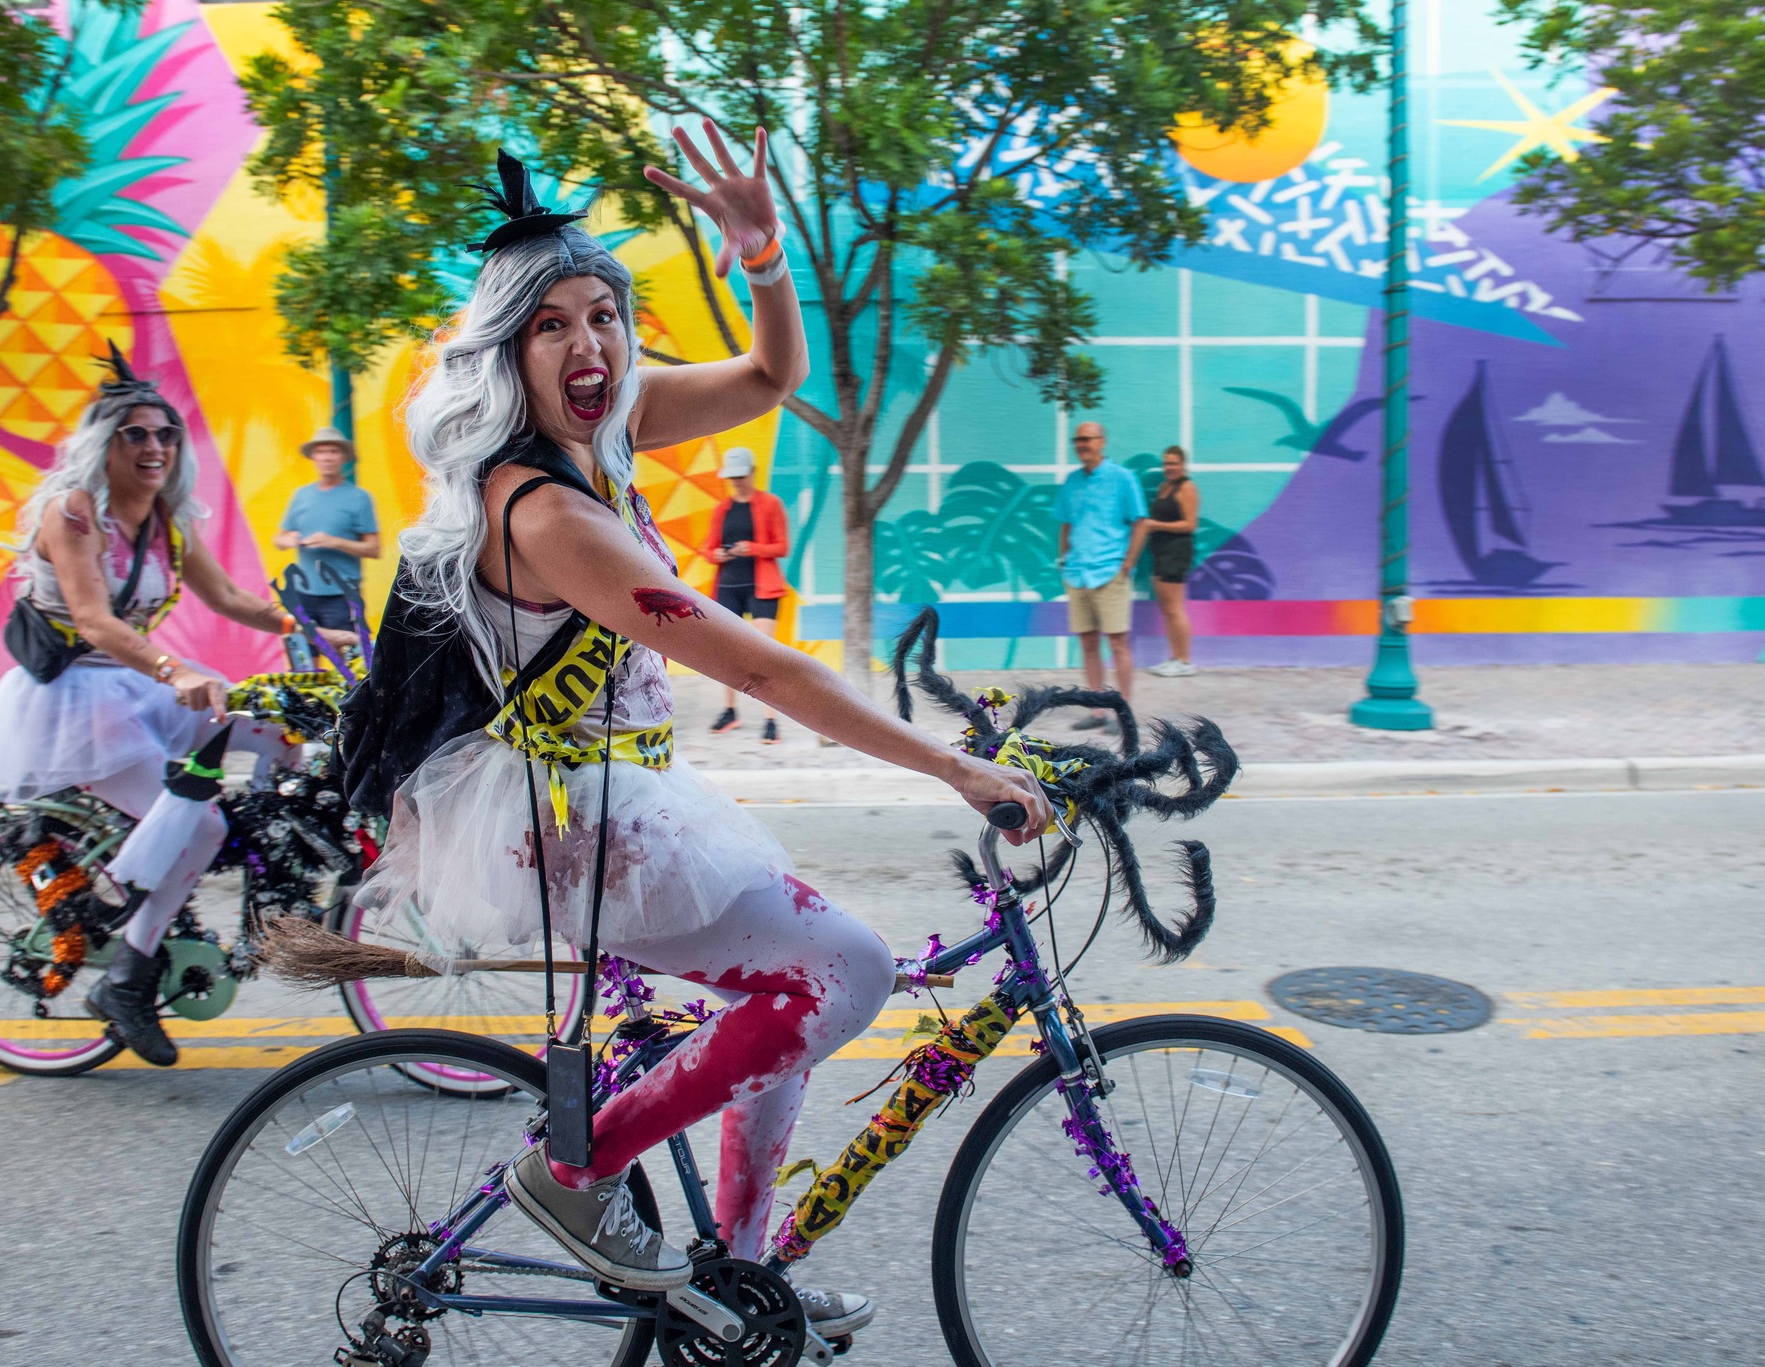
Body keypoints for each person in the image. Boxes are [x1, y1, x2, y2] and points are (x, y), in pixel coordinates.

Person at [355, 132, 1047, 1337]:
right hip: (566, 822)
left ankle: (739, 1276)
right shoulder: (545, 511)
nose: (590, 345)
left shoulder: (605, 433)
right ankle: (576, 1169)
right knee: (846, 970)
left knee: (787, 991)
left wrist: (762, 253)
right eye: (551, 326)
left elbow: (770, 375)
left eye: (604, 316)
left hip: (616, 797)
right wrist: (949, 765)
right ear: (506, 353)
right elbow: (759, 666)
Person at [0, 352, 354, 1066]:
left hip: (135, 685)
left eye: (166, 434)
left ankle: (272, 882)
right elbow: (93, 620)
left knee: (279, 731)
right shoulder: (74, 512)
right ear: (103, 442)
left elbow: (228, 597)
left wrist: (308, 631)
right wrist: (179, 669)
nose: (155, 447)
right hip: (74, 704)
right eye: (135, 434)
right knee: (199, 825)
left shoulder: (166, 517)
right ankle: (127, 979)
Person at [1055, 421, 1145, 728]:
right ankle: (1097, 711)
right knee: (1088, 642)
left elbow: (1140, 522)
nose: (1082, 444)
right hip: (1077, 573)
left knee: (1118, 643)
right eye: (1078, 439)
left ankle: (1125, 713)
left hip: (1110, 571)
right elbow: (1066, 524)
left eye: (1088, 439)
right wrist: (1064, 559)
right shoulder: (1071, 481)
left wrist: (1128, 561)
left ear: (1102, 441)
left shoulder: (1122, 478)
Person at [700, 445, 791, 743]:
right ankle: (730, 712)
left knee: (765, 655)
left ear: (752, 473)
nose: (737, 481)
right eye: (732, 476)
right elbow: (707, 548)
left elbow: (782, 547)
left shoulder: (771, 504)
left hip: (763, 587)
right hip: (728, 587)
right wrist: (717, 554)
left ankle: (771, 718)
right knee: (728, 655)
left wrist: (750, 548)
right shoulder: (722, 509)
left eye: (741, 475)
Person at [273, 425, 380, 631]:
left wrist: (334, 542)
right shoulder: (301, 495)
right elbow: (279, 539)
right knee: (303, 649)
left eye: (333, 451)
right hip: (302, 593)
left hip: (342, 596)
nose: (327, 457)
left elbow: (374, 549)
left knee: (345, 650)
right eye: (321, 451)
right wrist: (288, 540)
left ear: (344, 457)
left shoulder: (359, 498)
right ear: (313, 457)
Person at [1127, 444, 1200, 677]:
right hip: (1160, 552)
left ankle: (1185, 661)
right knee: (1168, 609)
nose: (1169, 467)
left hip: (1176, 553)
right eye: (1166, 463)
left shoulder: (1187, 488)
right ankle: (1174, 658)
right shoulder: (1164, 487)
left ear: (1183, 465)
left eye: (1174, 463)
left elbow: (1190, 524)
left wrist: (1154, 525)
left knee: (1175, 608)